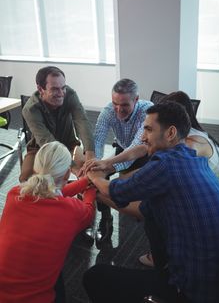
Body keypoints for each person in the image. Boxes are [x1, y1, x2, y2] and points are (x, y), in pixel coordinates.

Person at [84, 102, 219, 303]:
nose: (143, 136)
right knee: (153, 219)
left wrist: (93, 177)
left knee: (94, 277)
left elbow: (115, 190)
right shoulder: (191, 158)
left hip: (196, 287)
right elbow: (142, 210)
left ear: (170, 132)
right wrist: (98, 193)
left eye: (148, 129)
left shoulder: (166, 164)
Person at [0, 141, 96, 303]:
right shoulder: (72, 211)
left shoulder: (15, 193)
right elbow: (89, 210)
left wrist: (85, 181)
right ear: (67, 174)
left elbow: (50, 193)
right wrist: (92, 184)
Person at [83, 78, 153, 245]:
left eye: (124, 105)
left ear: (136, 100)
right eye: (115, 103)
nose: (118, 109)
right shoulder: (108, 110)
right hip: (122, 149)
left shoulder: (148, 112)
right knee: (98, 171)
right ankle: (106, 218)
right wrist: (94, 164)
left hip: (145, 153)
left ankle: (148, 217)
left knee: (132, 188)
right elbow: (98, 140)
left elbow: (138, 146)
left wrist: (107, 164)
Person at [19, 66, 95, 182]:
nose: (61, 93)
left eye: (63, 88)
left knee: (88, 174)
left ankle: (80, 200)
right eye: (55, 89)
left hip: (70, 145)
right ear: (40, 89)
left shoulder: (69, 94)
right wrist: (72, 166)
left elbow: (82, 122)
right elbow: (47, 142)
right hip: (41, 149)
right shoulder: (30, 109)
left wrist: (90, 153)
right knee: (27, 180)